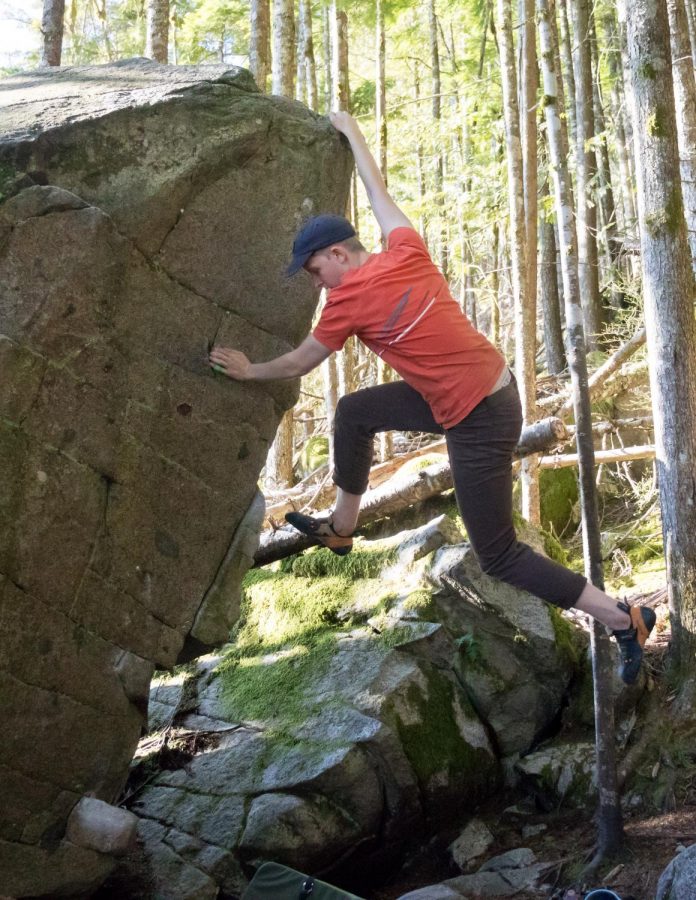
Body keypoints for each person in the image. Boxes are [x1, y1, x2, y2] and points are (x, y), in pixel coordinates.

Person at [209, 111, 655, 685]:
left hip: (479, 419)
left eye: (315, 270)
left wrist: (249, 372)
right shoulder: (405, 248)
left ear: (339, 255)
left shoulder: (345, 302)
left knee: (497, 554)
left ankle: (624, 618)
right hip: (488, 390)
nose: (315, 282)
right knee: (354, 412)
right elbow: (378, 192)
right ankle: (342, 528)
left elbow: (299, 362)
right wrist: (351, 133)